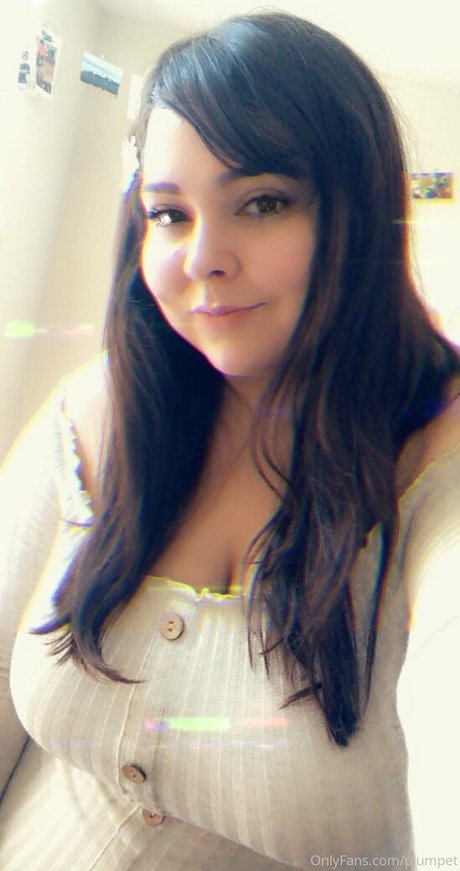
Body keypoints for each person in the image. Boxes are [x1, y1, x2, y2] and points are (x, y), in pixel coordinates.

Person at [1, 11, 459, 869]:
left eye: (263, 202)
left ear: (360, 212)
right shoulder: (101, 408)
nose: (202, 258)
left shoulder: (436, 456)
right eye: (169, 214)